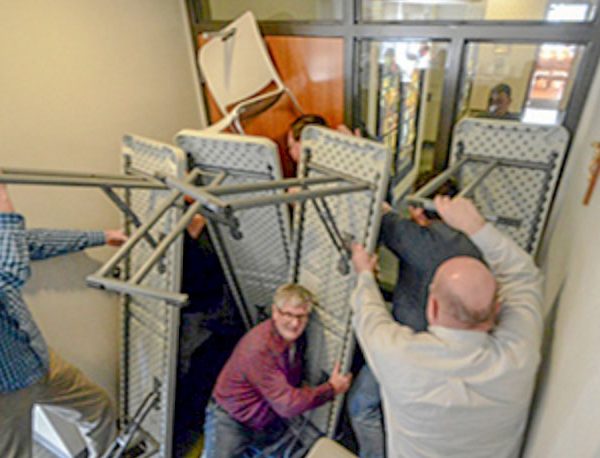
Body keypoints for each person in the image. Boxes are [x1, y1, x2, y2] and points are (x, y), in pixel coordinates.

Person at [350, 196, 543, 457]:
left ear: (432, 307)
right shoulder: (518, 357)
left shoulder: (400, 357)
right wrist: (476, 227)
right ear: (497, 309)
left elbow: (368, 314)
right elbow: (523, 276)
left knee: (361, 405)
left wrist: (364, 273)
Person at [346, 172, 484, 458]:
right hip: (458, 355)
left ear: (419, 209)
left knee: (361, 405)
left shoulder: (420, 240)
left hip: (411, 344)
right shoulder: (473, 241)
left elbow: (381, 217)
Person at [0, 184, 127, 457]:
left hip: (36, 358)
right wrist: (3, 203)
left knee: (97, 407)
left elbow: (26, 243)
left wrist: (103, 236)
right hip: (5, 391)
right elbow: (10, 274)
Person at [202, 283, 352, 458]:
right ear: (275, 311)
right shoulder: (260, 348)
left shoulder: (293, 340)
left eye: (301, 317)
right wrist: (331, 389)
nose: (295, 323)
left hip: (263, 417)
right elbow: (287, 405)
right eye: (289, 315)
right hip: (231, 420)